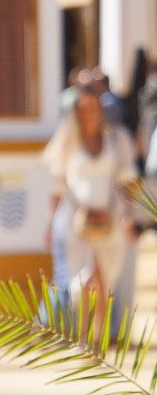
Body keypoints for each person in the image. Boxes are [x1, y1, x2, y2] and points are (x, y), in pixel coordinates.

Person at [43, 69, 140, 323]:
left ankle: (98, 336)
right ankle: (86, 338)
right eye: (84, 110)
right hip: (76, 222)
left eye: (93, 109)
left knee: (104, 279)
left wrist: (130, 216)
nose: (89, 114)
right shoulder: (68, 142)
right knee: (83, 278)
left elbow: (128, 182)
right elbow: (58, 186)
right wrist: (50, 222)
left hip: (110, 219)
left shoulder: (117, 140)